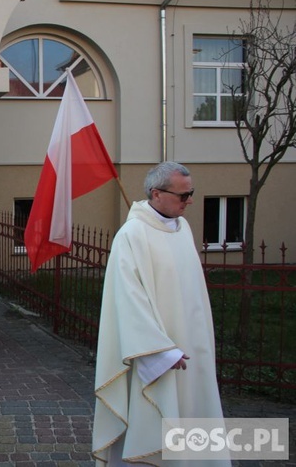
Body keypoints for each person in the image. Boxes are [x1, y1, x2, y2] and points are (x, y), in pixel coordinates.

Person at [92, 162, 229, 466]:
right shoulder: (132, 235)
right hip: (157, 355)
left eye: (191, 193)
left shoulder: (182, 228)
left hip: (193, 349)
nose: (190, 200)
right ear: (156, 193)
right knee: (155, 418)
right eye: (184, 195)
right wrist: (160, 352)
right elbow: (128, 301)